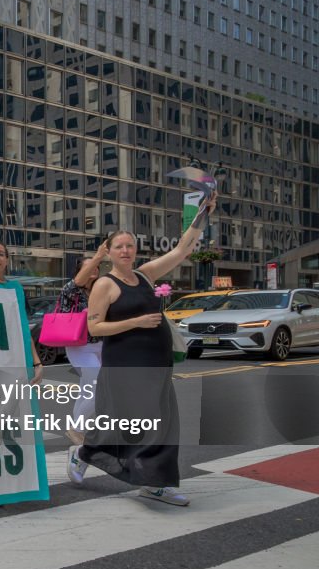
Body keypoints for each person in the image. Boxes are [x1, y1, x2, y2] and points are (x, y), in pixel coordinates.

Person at [80, 193, 218, 507]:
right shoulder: (105, 284)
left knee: (162, 422)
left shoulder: (145, 275)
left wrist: (202, 215)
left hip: (156, 365)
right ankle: (113, 464)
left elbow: (183, 249)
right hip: (126, 366)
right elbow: (94, 328)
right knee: (142, 423)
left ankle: (152, 481)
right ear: (109, 252)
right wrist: (137, 321)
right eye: (119, 247)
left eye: (130, 245)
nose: (126, 251)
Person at [61, 243, 109, 484]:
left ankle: (82, 435)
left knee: (92, 387)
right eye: (90, 266)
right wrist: (99, 254)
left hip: (102, 344)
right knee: (95, 379)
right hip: (78, 344)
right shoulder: (72, 291)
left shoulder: (102, 290)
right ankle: (76, 429)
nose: (95, 269)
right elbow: (77, 283)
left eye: (97, 266)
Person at [0, 241, 44, 386]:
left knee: (15, 405)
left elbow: (23, 328)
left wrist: (37, 363)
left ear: (7, 260)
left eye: (1, 254)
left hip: (15, 359)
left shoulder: (16, 289)